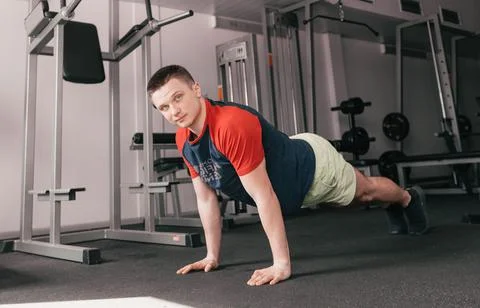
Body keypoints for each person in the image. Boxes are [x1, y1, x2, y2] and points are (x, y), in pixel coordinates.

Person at [147, 64, 429, 287]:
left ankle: (406, 198)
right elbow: (206, 199)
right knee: (352, 202)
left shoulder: (230, 125)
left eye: (177, 97)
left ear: (196, 89)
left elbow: (262, 195)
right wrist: (212, 256)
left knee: (364, 193)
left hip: (312, 168)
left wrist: (281, 264)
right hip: (289, 176)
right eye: (164, 107)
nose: (174, 111)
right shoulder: (184, 139)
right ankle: (395, 201)